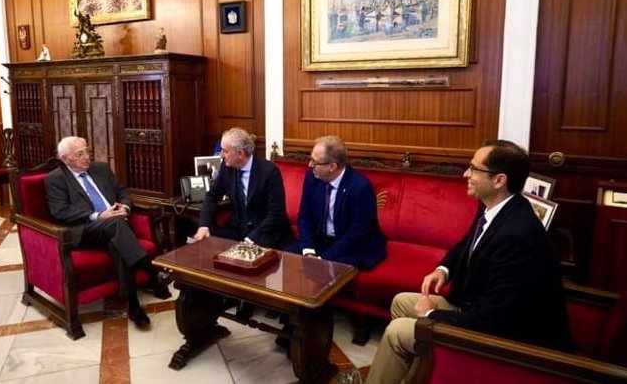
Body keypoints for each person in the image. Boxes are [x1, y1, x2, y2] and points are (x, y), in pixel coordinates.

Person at [365, 140, 572, 384]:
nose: (466, 174)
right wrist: (444, 268)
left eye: (474, 169)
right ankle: (420, 375)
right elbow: (467, 242)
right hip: (476, 307)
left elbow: (492, 322)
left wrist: (432, 312)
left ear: (499, 180)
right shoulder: (496, 206)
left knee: (396, 333)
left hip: (508, 340)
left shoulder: (517, 236)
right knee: (402, 303)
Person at [45, 136, 170, 329]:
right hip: (85, 230)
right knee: (115, 224)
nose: (87, 157)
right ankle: (153, 272)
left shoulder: (100, 169)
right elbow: (61, 211)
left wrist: (126, 208)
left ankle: (134, 305)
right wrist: (97, 215)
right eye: (80, 154)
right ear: (65, 158)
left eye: (87, 151)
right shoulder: (55, 179)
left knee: (117, 242)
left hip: (116, 226)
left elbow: (123, 192)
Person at [193, 127, 292, 318]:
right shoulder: (227, 168)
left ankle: (248, 298)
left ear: (240, 153)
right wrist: (204, 226)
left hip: (266, 228)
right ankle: (222, 294)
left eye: (224, 150)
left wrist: (251, 238)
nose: (221, 155)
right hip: (239, 223)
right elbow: (211, 196)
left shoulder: (269, 172)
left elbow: (276, 214)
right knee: (210, 244)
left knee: (250, 253)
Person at [285, 135, 386, 270]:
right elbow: (305, 217)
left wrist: (322, 259)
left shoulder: (360, 187)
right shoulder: (313, 177)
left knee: (329, 271)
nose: (310, 165)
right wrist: (308, 251)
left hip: (353, 247)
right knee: (286, 259)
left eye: (315, 162)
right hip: (320, 241)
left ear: (332, 166)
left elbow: (357, 234)